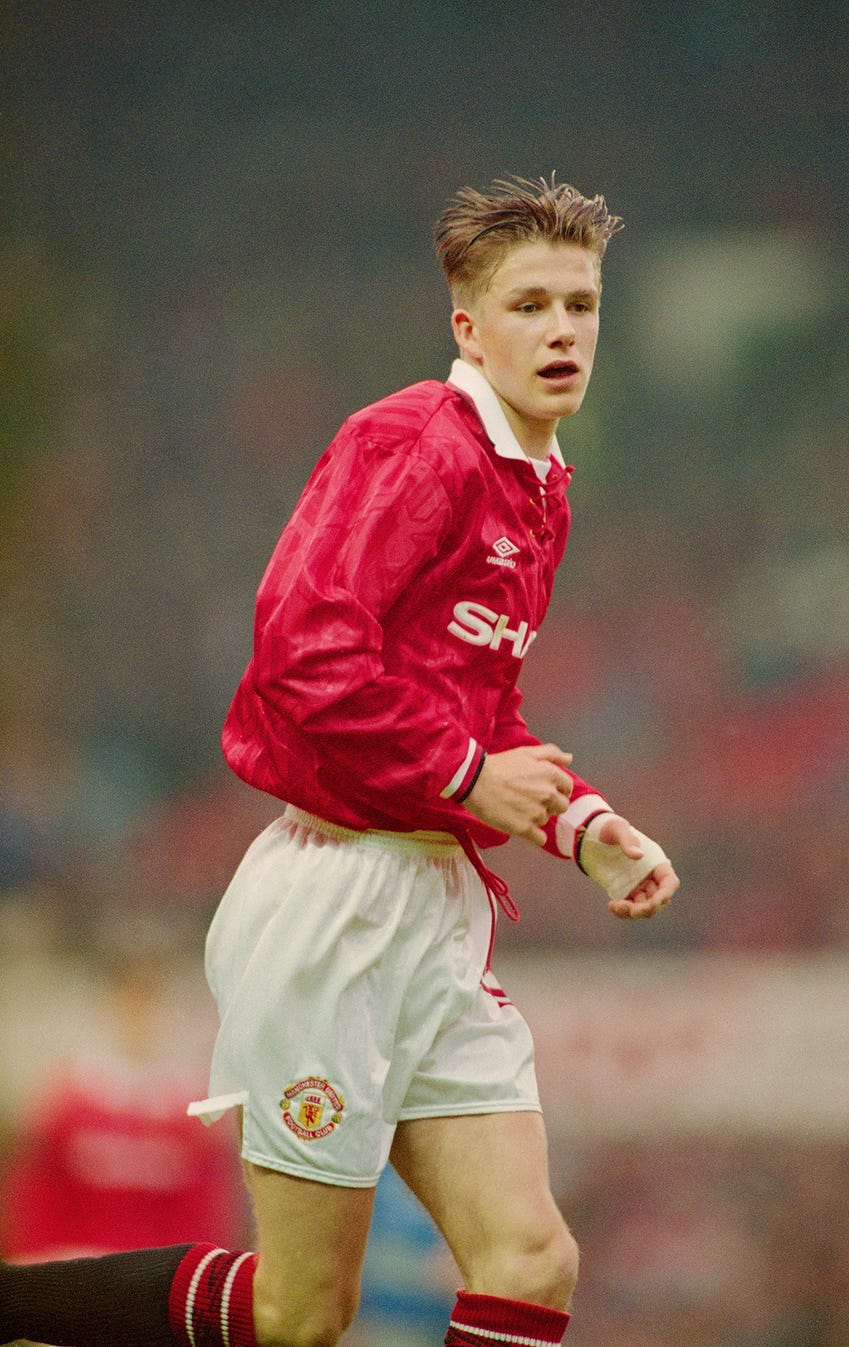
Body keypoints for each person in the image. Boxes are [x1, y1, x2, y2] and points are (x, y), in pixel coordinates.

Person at [0, 174, 678, 1347]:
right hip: (336, 906)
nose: (562, 330)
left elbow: (477, 702)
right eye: (529, 306)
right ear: (467, 326)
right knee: (301, 1312)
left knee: (530, 1258)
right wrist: (471, 778)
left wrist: (580, 825)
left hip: (434, 903)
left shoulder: (540, 484)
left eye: (581, 304)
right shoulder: (415, 441)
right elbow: (299, 654)